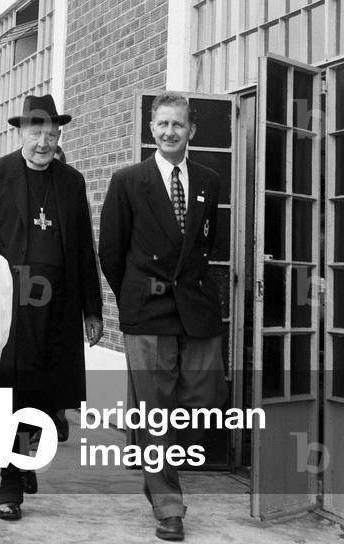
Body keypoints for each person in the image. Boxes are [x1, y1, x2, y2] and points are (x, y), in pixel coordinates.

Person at [98, 92, 226, 543]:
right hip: (148, 313)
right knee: (155, 414)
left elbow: (208, 246)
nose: (170, 132)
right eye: (162, 125)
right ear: (151, 130)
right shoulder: (128, 180)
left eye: (178, 125)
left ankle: (153, 466)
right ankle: (169, 507)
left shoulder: (210, 179)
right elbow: (111, 252)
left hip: (196, 309)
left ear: (192, 131)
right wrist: (133, 300)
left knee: (200, 401)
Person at [0, 93, 103, 522]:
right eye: (36, 133)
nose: (43, 142)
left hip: (58, 308)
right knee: (10, 389)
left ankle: (24, 457)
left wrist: (92, 309)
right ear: (20, 132)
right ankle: (10, 485)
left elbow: (84, 247)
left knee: (45, 392)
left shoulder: (71, 181)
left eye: (51, 134)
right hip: (9, 305)